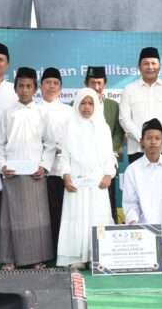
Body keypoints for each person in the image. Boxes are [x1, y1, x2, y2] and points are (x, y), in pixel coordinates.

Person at [0, 67, 56, 270]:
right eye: (21, 86)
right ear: (15, 88)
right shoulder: (8, 113)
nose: (24, 90)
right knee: (11, 217)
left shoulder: (42, 112)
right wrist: (3, 165)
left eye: (28, 86)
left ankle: (36, 258)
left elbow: (50, 144)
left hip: (35, 174)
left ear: (35, 89)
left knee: (35, 217)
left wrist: (44, 166)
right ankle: (9, 258)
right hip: (12, 174)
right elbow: (0, 144)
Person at [56, 88, 116, 269]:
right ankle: (76, 256)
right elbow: (64, 155)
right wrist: (66, 176)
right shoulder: (69, 126)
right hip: (76, 182)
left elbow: (109, 155)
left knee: (97, 216)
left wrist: (108, 174)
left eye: (90, 103)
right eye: (83, 103)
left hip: (98, 182)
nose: (87, 107)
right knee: (76, 217)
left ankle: (96, 256)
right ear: (77, 104)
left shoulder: (103, 127)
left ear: (96, 105)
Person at [122, 118, 162, 272]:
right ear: (141, 142)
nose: (153, 142)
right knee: (148, 263)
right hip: (142, 235)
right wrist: (134, 223)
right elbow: (130, 204)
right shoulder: (132, 170)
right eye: (149, 138)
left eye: (157, 138)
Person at [119, 47, 162, 162]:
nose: (150, 67)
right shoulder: (129, 89)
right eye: (146, 63)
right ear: (139, 67)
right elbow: (124, 119)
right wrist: (142, 139)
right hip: (138, 149)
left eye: (153, 63)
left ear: (160, 66)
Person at [38, 67, 74, 251]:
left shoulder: (69, 111)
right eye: (47, 82)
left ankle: (62, 250)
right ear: (40, 86)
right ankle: (45, 250)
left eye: (55, 83)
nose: (51, 86)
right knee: (42, 213)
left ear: (61, 87)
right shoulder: (33, 109)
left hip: (62, 169)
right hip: (38, 170)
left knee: (62, 210)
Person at [85, 66, 124, 223]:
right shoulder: (77, 104)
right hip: (85, 165)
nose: (96, 87)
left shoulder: (113, 106)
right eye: (92, 83)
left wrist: (108, 152)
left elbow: (118, 132)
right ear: (86, 84)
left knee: (108, 201)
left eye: (99, 83)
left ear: (105, 84)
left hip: (107, 163)